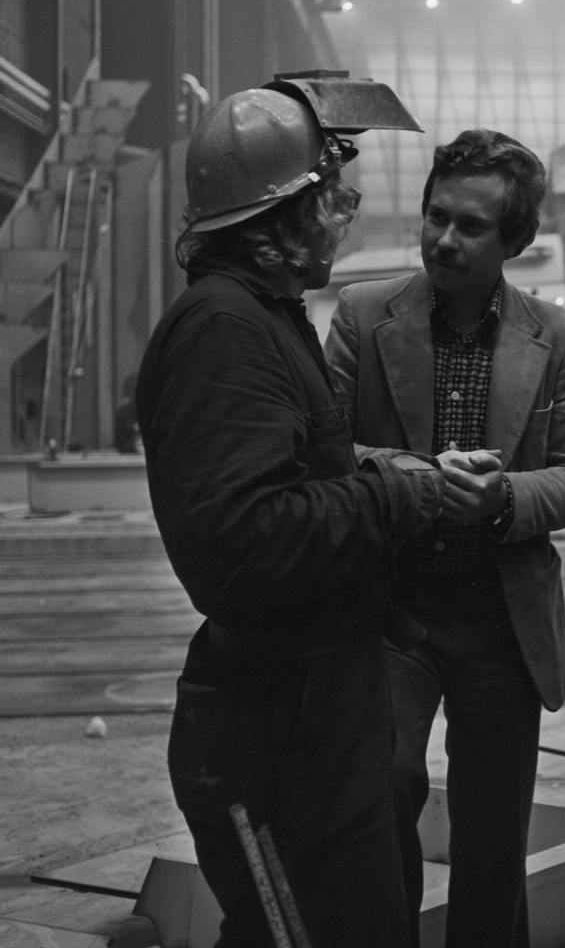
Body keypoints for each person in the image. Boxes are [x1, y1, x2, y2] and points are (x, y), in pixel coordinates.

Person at [136, 74, 439, 948]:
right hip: (274, 739)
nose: (344, 216)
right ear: (279, 220)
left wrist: (368, 467)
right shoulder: (224, 332)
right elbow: (245, 541)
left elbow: (282, 474)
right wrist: (396, 493)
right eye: (330, 199)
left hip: (316, 716)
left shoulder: (261, 316)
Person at [324, 127, 565, 948]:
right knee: (380, 795)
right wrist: (413, 475)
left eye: (471, 226)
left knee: (492, 832)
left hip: (500, 615)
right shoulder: (364, 315)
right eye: (436, 216)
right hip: (391, 610)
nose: (444, 239)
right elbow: (323, 448)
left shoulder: (555, 335)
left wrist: (503, 498)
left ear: (513, 241)